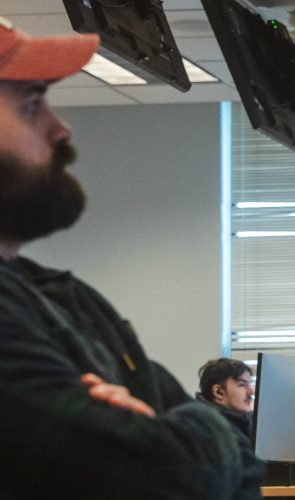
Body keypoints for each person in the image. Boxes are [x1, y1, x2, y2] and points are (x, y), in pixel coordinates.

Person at [0, 18, 263, 498]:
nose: (62, 128)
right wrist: (182, 439)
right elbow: (169, 479)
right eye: (33, 104)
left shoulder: (68, 298)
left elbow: (241, 471)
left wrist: (179, 438)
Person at [198, 358, 256, 439]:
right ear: (219, 392)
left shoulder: (248, 423)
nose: (251, 392)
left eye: (249, 384)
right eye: (242, 385)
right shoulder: (204, 431)